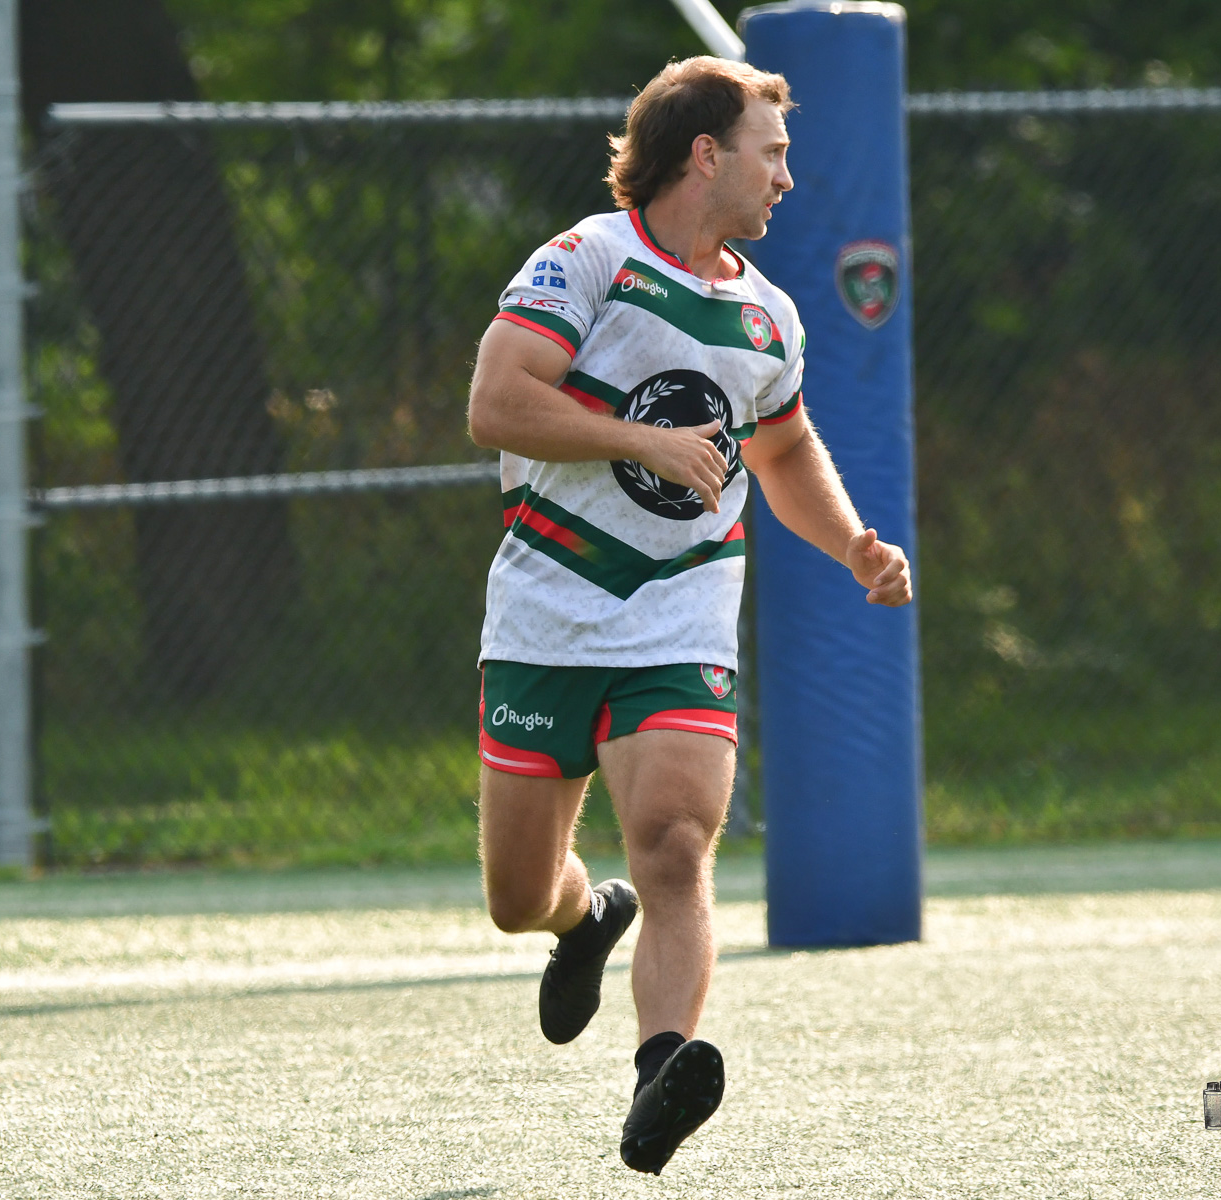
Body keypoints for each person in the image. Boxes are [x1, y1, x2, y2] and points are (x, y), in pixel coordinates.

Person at [465, 56, 913, 1174]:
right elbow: (496, 400)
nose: (788, 179)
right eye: (773, 153)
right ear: (705, 153)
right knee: (519, 901)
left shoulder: (767, 315)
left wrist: (853, 541)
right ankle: (582, 920)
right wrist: (642, 439)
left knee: (674, 846)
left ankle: (660, 1069)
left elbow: (785, 447)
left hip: (679, 617)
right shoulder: (587, 260)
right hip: (547, 616)